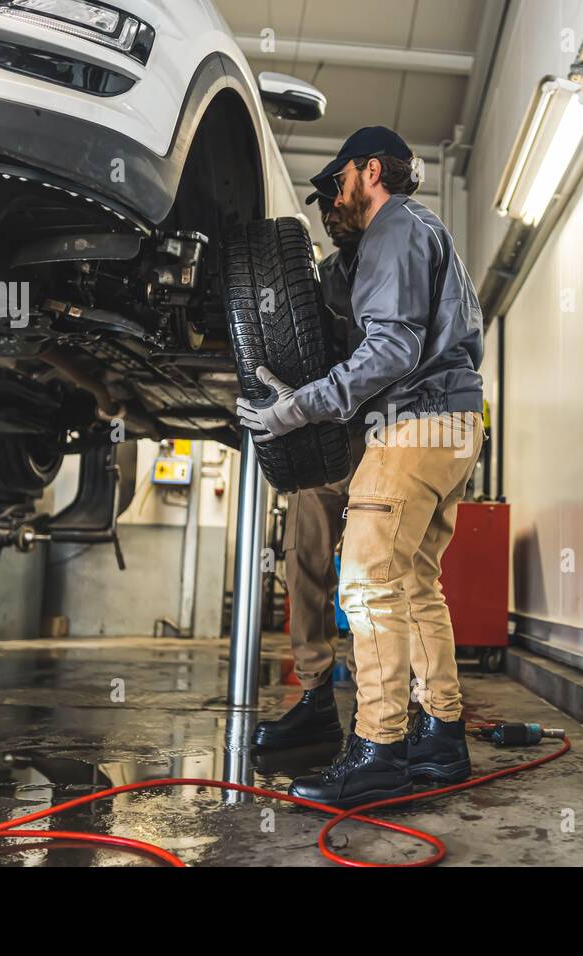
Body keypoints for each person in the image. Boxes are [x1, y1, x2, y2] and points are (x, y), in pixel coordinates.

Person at [236, 126, 485, 808]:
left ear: (370, 170)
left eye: (339, 180)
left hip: (416, 420)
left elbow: (392, 348)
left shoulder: (395, 227)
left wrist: (299, 408)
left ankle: (377, 749)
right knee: (414, 585)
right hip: (454, 423)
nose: (332, 199)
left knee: (369, 583)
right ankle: (441, 735)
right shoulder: (402, 234)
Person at [252, 195, 366, 750]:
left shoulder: (396, 261)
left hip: (382, 437)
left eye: (341, 202)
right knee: (304, 561)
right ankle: (317, 699)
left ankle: (396, 712)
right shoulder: (317, 277)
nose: (333, 213)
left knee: (378, 577)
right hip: (325, 439)